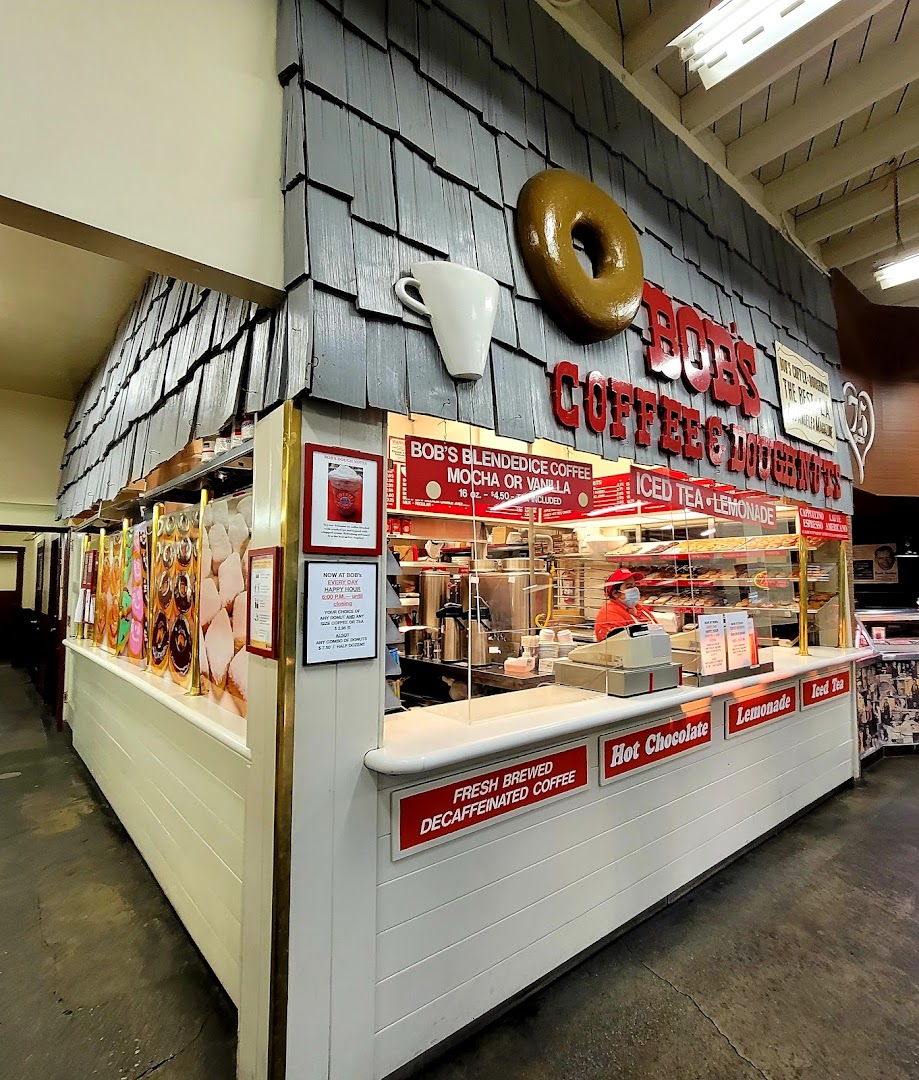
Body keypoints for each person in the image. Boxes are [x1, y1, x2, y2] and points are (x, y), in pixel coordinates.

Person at [595, 568, 658, 641]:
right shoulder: (608, 615)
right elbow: (620, 644)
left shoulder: (639, 608)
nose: (635, 590)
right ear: (615, 593)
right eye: (629, 587)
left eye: (634, 586)